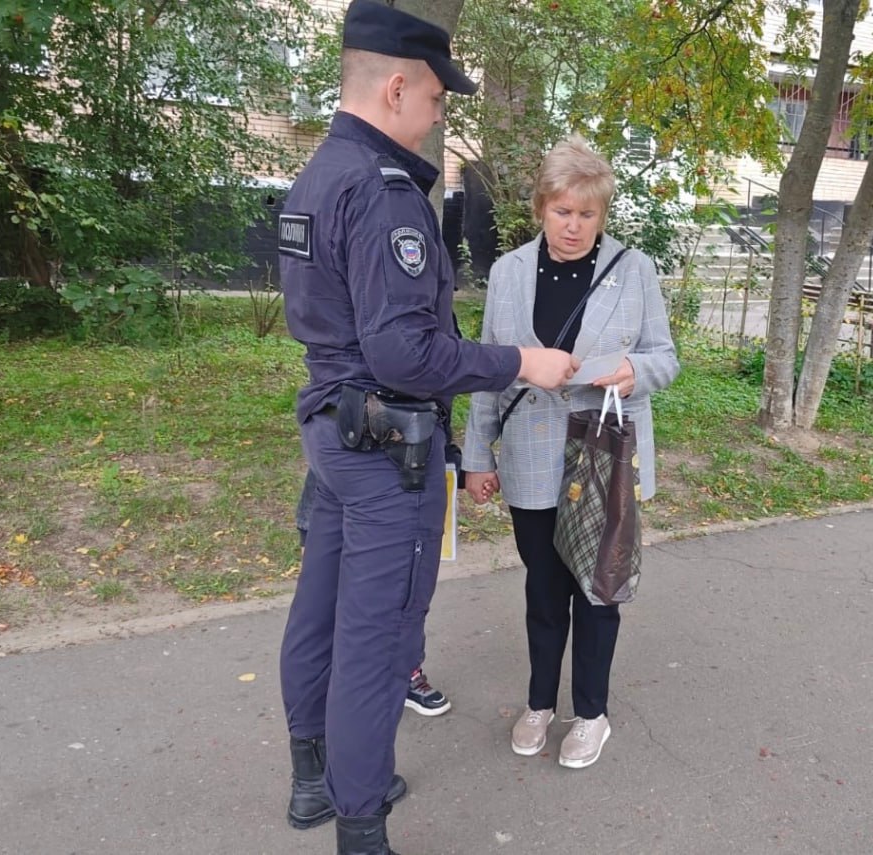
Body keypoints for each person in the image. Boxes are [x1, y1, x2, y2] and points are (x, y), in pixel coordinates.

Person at [275, 2, 578, 852]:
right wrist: (521, 361)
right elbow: (407, 353)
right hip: (383, 451)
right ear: (399, 85)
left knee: (320, 612)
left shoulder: (319, 174)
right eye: (439, 100)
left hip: (332, 433)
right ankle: (360, 822)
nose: (440, 114)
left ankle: (314, 782)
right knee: (375, 641)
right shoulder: (385, 195)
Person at [462, 135, 679, 771]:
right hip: (530, 458)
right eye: (563, 212)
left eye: (588, 213)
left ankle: (591, 714)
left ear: (602, 214)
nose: (574, 226)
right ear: (540, 208)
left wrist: (633, 371)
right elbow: (488, 375)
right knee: (543, 589)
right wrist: (478, 456)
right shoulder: (505, 274)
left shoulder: (634, 270)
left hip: (603, 455)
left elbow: (666, 358)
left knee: (598, 589)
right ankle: (538, 703)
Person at [295, 470, 450, 716]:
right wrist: (309, 531)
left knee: (406, 591)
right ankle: (334, 686)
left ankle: (405, 671)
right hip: (343, 493)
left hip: (408, 484)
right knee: (330, 603)